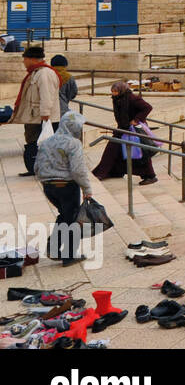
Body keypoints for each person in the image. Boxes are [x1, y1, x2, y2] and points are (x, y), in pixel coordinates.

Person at [35, 111, 93, 266]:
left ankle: (53, 248)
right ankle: (69, 256)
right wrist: (87, 189)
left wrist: (45, 181)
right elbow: (78, 170)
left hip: (49, 186)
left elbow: (37, 166)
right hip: (66, 186)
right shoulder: (73, 143)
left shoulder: (47, 141)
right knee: (73, 219)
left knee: (64, 215)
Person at [92, 81, 159, 185]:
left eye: (115, 91)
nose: (113, 93)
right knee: (112, 150)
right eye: (112, 91)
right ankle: (109, 172)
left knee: (140, 153)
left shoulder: (132, 98)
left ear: (121, 90)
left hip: (134, 129)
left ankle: (150, 176)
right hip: (122, 129)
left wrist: (136, 120)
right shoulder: (117, 99)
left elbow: (147, 107)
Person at [9, 46, 60, 176]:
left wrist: (45, 115)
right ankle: (35, 169)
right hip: (34, 116)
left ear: (32, 59)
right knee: (32, 141)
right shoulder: (36, 72)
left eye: (25, 59)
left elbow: (46, 95)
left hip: (41, 117)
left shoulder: (45, 74)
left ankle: (42, 169)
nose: (24, 62)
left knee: (39, 143)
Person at [48, 54, 79, 123]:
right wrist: (65, 98)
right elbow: (73, 92)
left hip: (47, 112)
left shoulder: (48, 75)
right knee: (73, 121)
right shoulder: (69, 77)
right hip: (63, 110)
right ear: (65, 65)